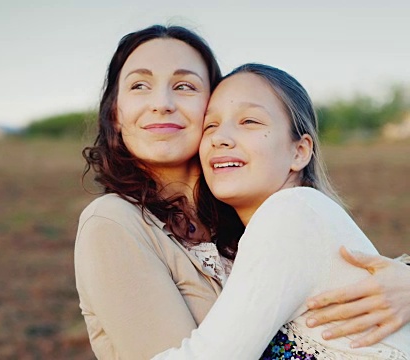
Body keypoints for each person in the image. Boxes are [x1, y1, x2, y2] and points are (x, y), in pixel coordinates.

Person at [74, 24, 410, 359]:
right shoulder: (114, 222)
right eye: (139, 85)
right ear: (115, 112)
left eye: (184, 86)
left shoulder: (253, 218)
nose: (162, 103)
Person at [152, 63, 410, 359]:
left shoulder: (292, 213)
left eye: (249, 121)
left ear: (299, 151)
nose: (220, 137)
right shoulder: (293, 221)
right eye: (210, 125)